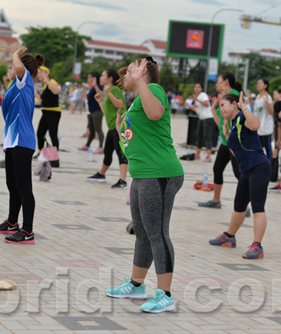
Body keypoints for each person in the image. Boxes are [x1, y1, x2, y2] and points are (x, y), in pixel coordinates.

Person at [105, 57, 184, 313]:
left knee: (158, 233)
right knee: (142, 232)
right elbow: (136, 142)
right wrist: (119, 129)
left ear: (144, 72)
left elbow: (156, 113)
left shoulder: (155, 91)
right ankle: (137, 285)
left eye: (129, 71)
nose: (124, 77)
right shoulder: (137, 100)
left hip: (160, 173)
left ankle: (165, 294)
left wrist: (139, 82)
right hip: (142, 175)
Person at [0, 47, 43, 244]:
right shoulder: (15, 85)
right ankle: (12, 222)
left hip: (23, 140)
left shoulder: (25, 81)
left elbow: (20, 70)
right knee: (12, 185)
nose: (10, 70)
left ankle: (27, 230)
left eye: (11, 67)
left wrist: (15, 54)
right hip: (12, 140)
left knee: (24, 188)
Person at [209, 92, 271, 259]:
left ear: (234, 104)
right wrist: (227, 135)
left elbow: (256, 125)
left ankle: (257, 247)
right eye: (220, 106)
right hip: (247, 170)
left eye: (223, 105)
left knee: (258, 206)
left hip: (259, 167)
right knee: (239, 205)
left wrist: (244, 107)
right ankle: (229, 237)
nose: (221, 108)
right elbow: (237, 152)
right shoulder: (233, 123)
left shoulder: (243, 116)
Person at [198, 73, 241, 209]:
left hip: (234, 142)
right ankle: (216, 200)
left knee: (239, 174)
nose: (216, 84)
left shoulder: (234, 96)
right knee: (217, 169)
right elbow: (219, 123)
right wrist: (213, 109)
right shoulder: (223, 98)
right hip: (224, 142)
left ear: (226, 82)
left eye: (218, 81)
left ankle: (245, 206)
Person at [87, 68, 128, 188]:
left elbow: (120, 105)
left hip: (120, 126)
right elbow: (107, 112)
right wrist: (100, 101)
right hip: (112, 126)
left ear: (110, 78)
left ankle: (123, 181)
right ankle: (101, 174)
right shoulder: (108, 90)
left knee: (121, 152)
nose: (100, 78)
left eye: (103, 75)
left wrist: (109, 93)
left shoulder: (114, 89)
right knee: (108, 151)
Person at [35, 65, 61, 159]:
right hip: (45, 112)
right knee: (40, 133)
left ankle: (55, 157)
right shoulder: (45, 85)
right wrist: (36, 93)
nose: (39, 75)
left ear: (46, 73)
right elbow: (42, 100)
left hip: (53, 112)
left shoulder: (51, 82)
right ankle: (40, 152)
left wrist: (47, 80)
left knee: (52, 133)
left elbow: (56, 91)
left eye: (40, 73)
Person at [78, 73, 104, 153]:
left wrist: (95, 84)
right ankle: (87, 145)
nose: (88, 79)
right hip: (91, 111)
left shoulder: (98, 86)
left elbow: (100, 94)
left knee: (98, 129)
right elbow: (87, 98)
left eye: (89, 78)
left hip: (97, 111)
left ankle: (100, 147)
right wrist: (83, 91)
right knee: (92, 130)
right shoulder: (92, 88)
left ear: (94, 78)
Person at [186, 83, 213, 162]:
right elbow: (197, 110)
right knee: (199, 136)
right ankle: (197, 155)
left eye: (198, 87)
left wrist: (197, 100)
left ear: (201, 89)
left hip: (207, 118)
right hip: (201, 118)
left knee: (207, 136)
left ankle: (209, 156)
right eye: (195, 87)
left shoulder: (203, 95)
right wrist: (189, 106)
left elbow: (207, 104)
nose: (196, 88)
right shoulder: (197, 98)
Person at [249, 78, 274, 161]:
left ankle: (269, 167)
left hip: (266, 127)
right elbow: (256, 109)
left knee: (267, 148)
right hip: (258, 127)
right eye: (258, 83)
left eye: (260, 83)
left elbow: (271, 112)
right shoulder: (258, 96)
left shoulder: (268, 97)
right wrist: (250, 100)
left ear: (265, 86)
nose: (258, 85)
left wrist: (267, 102)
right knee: (257, 148)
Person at [271, 89, 281, 182]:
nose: (274, 95)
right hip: (278, 130)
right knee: (276, 151)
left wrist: (280, 139)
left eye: (275, 94)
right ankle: (274, 175)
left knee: (280, 152)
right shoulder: (276, 104)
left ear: (280, 94)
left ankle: (278, 175)